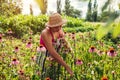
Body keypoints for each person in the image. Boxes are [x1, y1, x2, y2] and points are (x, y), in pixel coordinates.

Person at [36, 13, 73, 79]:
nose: (59, 28)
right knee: (43, 76)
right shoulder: (45, 33)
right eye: (56, 26)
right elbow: (52, 52)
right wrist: (66, 66)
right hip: (45, 58)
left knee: (53, 76)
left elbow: (65, 42)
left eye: (60, 26)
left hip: (55, 59)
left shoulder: (59, 30)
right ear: (51, 26)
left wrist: (71, 52)